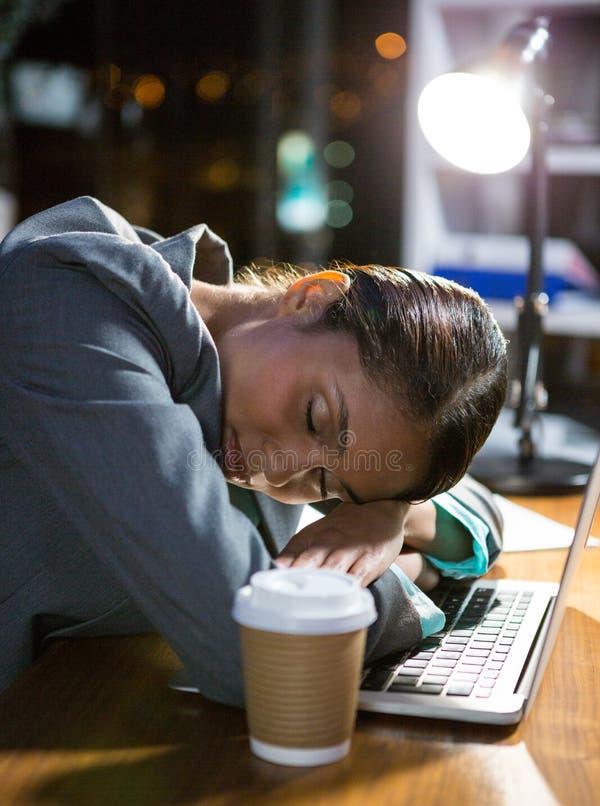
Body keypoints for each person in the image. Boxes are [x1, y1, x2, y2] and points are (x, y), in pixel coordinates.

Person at [0, 196, 506, 705]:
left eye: (326, 484)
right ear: (311, 298)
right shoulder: (78, 304)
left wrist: (386, 517)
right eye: (314, 417)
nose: (279, 471)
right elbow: (259, 653)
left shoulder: (243, 368)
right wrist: (410, 576)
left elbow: (483, 514)